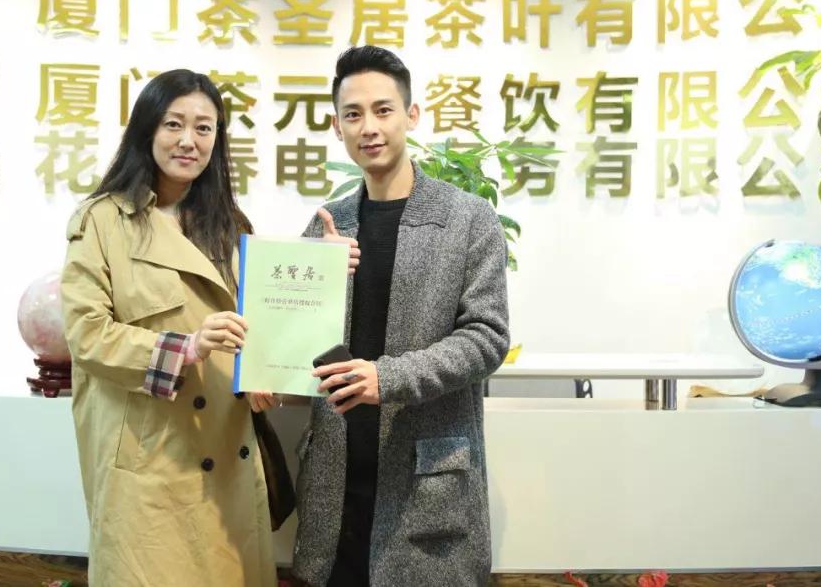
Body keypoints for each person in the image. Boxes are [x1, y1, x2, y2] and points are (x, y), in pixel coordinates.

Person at [291, 46, 511, 586]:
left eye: (383, 110)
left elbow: (486, 337)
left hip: (425, 483)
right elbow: (294, 337)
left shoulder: (467, 218)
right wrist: (320, 277)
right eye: (353, 114)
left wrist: (385, 378)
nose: (368, 127)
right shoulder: (328, 225)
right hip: (337, 485)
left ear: (411, 116)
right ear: (338, 127)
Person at [60, 68, 277, 586]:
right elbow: (86, 333)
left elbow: (260, 319)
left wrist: (262, 372)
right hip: (151, 460)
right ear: (147, 129)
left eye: (204, 128)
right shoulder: (102, 220)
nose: (188, 140)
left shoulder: (232, 225)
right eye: (173, 124)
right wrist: (188, 347)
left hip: (226, 452)